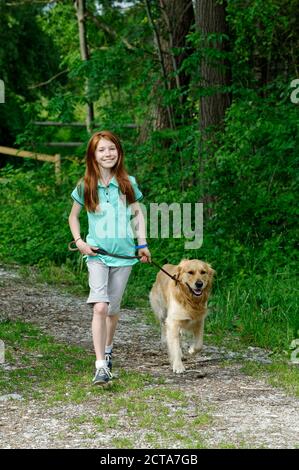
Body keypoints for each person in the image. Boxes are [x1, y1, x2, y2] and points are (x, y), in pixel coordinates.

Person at [68, 130, 151, 385]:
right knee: (100, 307)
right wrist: (80, 242)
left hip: (125, 256)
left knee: (113, 310)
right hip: (97, 255)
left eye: (112, 149)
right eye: (102, 150)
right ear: (93, 155)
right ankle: (100, 366)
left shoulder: (128, 183)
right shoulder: (85, 185)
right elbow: (73, 217)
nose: (108, 154)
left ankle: (108, 348)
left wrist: (142, 244)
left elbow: (138, 215)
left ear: (119, 152)